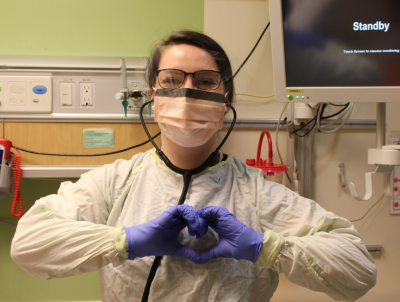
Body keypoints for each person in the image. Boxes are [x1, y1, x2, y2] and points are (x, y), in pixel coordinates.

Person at [10, 30, 376, 302]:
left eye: (204, 82)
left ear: (225, 101)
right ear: (152, 98)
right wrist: (127, 242)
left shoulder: (258, 193)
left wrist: (261, 247)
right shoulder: (114, 183)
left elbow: (359, 269)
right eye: (171, 80)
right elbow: (29, 245)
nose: (186, 93)